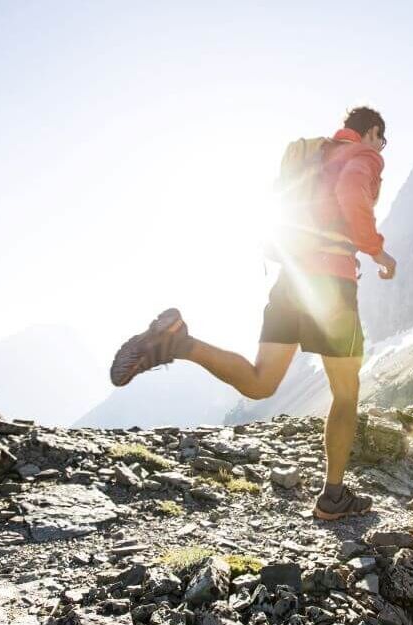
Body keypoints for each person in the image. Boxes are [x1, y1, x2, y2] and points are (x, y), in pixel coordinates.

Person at [109, 106, 396, 520]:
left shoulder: (313, 153)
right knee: (347, 393)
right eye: (381, 140)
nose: (380, 148)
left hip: (291, 280)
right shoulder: (363, 157)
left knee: (262, 383)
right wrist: (377, 250)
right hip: (331, 285)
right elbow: (352, 195)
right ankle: (333, 496)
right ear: (371, 132)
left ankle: (177, 342)